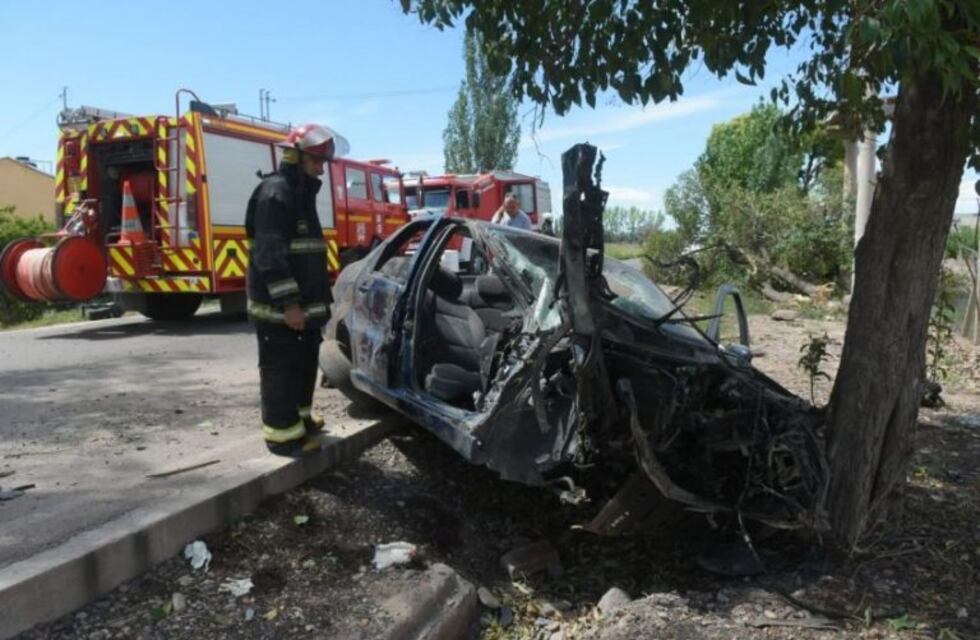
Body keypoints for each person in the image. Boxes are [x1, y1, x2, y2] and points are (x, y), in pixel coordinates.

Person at [245, 123, 349, 457]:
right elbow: (269, 255)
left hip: (305, 306)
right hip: (281, 311)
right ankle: (282, 436)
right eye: (316, 161)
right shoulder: (277, 193)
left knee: (304, 364)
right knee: (282, 370)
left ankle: (300, 418)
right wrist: (289, 304)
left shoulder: (301, 192)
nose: (322, 168)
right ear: (295, 156)